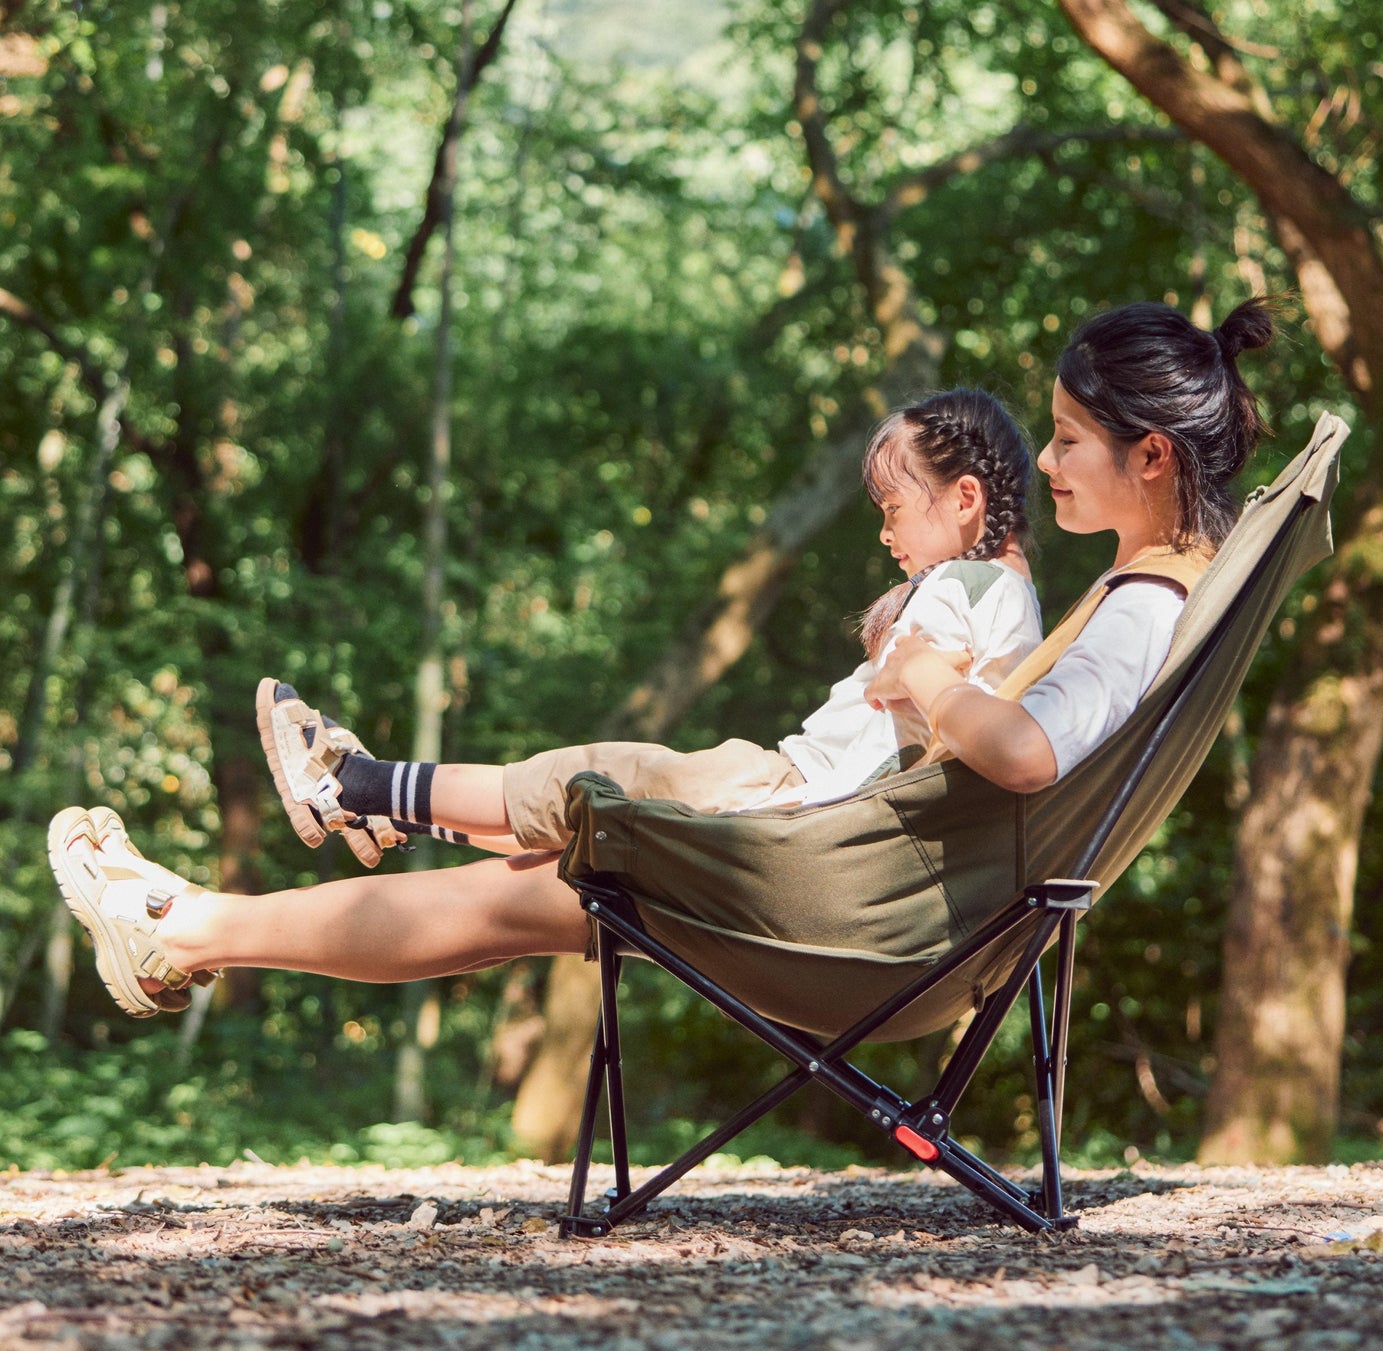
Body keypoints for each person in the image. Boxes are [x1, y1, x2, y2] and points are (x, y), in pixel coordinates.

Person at [49, 297, 1275, 1019]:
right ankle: (206, 910)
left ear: (1153, 455)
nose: (1050, 463)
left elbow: (1017, 751)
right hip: (867, 881)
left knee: (537, 873)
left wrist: (922, 676)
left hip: (854, 901)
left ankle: (201, 911)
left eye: (1069, 440)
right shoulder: (1147, 595)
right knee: (530, 881)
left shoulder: (1131, 611)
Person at [256, 387, 1040, 868]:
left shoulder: (961, 583)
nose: (885, 534)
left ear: (963, 498)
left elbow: (914, 671)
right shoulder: (1011, 601)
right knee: (572, 816)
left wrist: (904, 660)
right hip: (799, 801)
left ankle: (351, 781)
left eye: (894, 510)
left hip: (788, 797)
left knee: (580, 780)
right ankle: (379, 805)